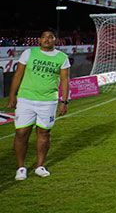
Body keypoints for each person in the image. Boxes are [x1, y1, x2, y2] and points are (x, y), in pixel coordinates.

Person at [5, 29, 70, 180]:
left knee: (44, 133)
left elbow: (65, 80)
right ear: (39, 40)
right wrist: (12, 95)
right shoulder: (29, 53)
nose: (47, 39)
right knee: (21, 133)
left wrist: (64, 101)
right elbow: (18, 74)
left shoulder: (62, 57)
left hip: (48, 101)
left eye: (50, 37)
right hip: (26, 99)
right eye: (44, 37)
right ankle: (21, 168)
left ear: (55, 40)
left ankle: (40, 166)